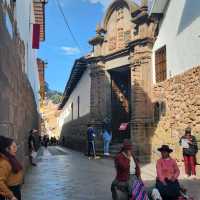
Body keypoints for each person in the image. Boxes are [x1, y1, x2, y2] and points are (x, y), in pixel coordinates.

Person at [0, 136, 23, 200]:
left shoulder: (11, 158)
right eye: (14, 147)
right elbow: (0, 182)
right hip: (10, 193)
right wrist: (11, 196)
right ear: (7, 149)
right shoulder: (4, 163)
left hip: (15, 191)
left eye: (16, 146)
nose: (16, 149)